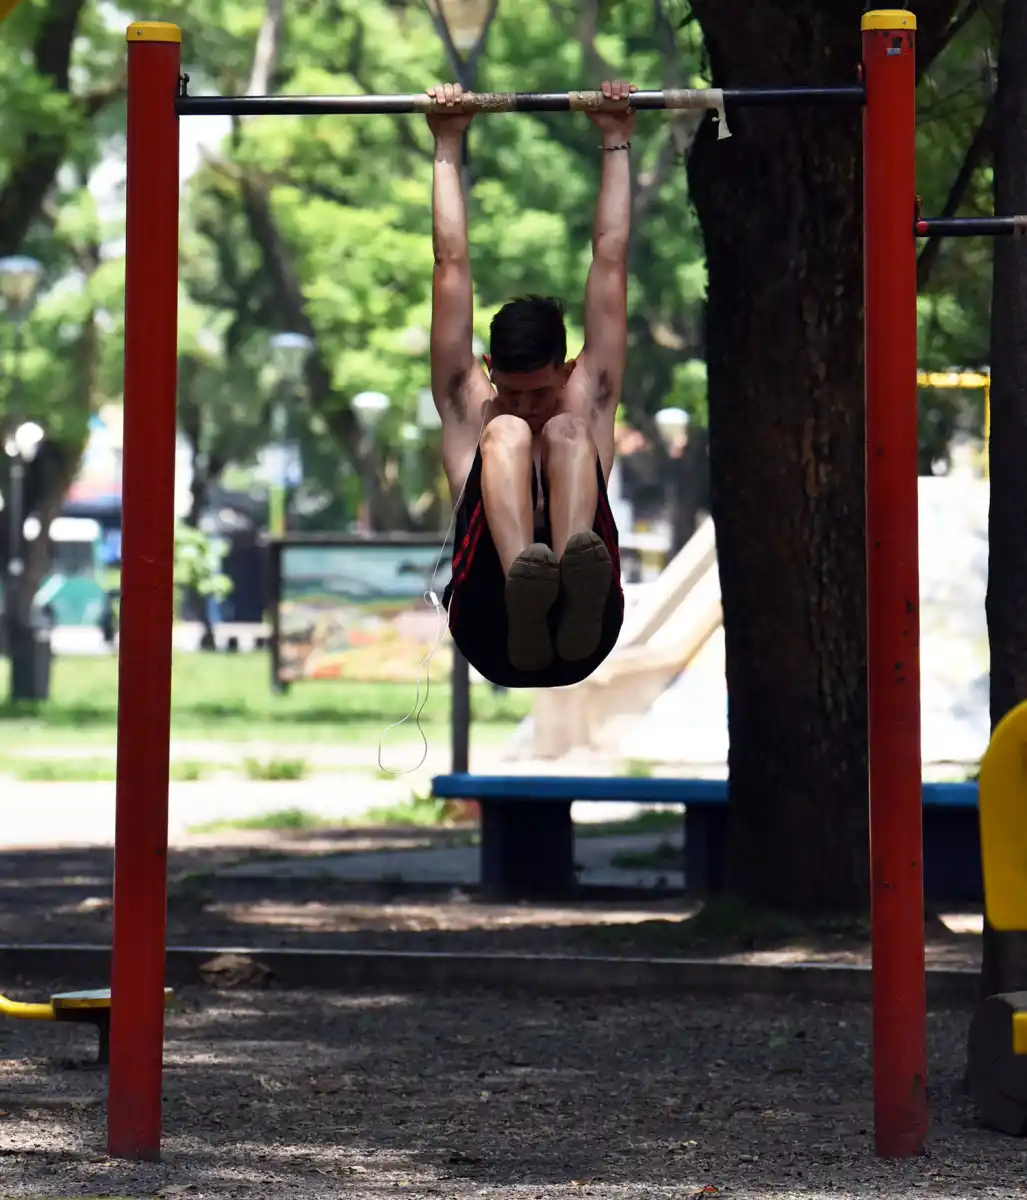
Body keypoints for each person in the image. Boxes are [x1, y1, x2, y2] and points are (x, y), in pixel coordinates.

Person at [428, 79, 635, 689]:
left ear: (566, 369)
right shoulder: (472, 405)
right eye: (509, 390)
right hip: (490, 624)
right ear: (489, 369)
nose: (523, 405)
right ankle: (526, 581)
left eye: (538, 393)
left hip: (587, 630)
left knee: (570, 431)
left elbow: (611, 258)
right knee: (508, 435)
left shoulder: (584, 397)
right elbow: (450, 265)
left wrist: (617, 139)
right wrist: (446, 143)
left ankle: (571, 582)